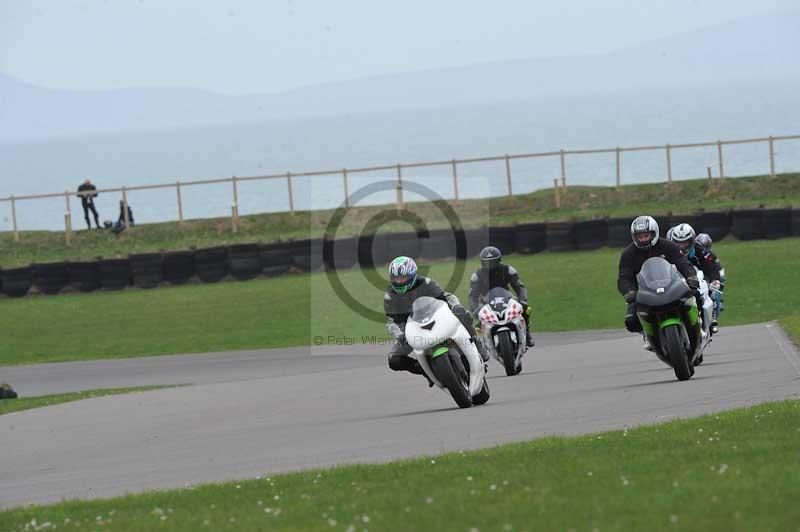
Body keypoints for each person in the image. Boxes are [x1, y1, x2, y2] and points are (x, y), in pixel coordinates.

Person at [384, 256, 487, 384]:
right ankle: (425, 370)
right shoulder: (390, 296)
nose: (399, 281)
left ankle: (476, 344)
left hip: (435, 318)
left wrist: (456, 307)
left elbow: (445, 297)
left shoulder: (425, 283)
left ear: (412, 275)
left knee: (462, 313)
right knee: (394, 360)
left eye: (402, 277)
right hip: (411, 331)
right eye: (396, 278)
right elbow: (391, 321)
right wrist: (400, 335)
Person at [618, 216, 699, 334]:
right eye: (640, 237)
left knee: (696, 295)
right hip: (643, 293)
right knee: (631, 321)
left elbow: (682, 262)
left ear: (654, 233)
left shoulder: (668, 245)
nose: (643, 239)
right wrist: (629, 292)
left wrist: (691, 277)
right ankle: (648, 335)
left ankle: (698, 326)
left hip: (672, 285)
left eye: (646, 235)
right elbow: (624, 277)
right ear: (634, 237)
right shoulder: (628, 254)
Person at [468, 246, 535, 347]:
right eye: (487, 262)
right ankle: (482, 344)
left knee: (525, 309)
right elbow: (472, 296)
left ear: (499, 260)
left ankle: (527, 335)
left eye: (493, 262)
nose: (490, 265)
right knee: (477, 323)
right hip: (486, 302)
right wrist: (475, 309)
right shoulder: (477, 275)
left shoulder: (508, 270)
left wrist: (522, 300)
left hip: (507, 299)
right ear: (482, 262)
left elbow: (519, 287)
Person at [670, 225, 722, 333]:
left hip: (698, 279)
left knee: (713, 290)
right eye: (678, 243)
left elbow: (712, 267)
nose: (681, 246)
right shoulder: (668, 252)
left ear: (691, 241)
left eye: (684, 242)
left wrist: (714, 280)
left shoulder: (701, 252)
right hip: (675, 280)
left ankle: (711, 318)